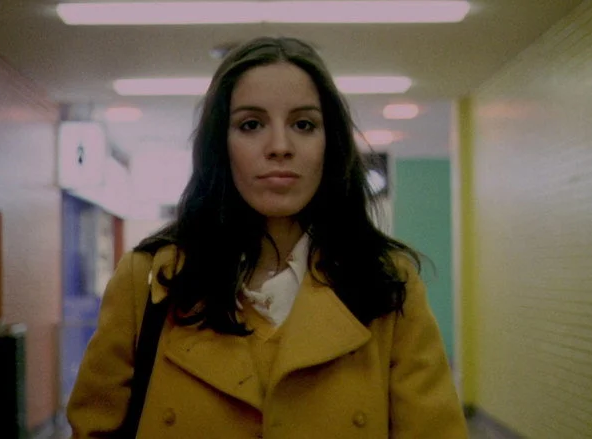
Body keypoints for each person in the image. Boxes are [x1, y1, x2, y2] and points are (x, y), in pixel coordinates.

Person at [67, 36, 467, 438]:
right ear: (220, 144)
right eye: (251, 125)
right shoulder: (150, 282)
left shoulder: (386, 286)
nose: (279, 147)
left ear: (330, 144)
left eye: (304, 125)